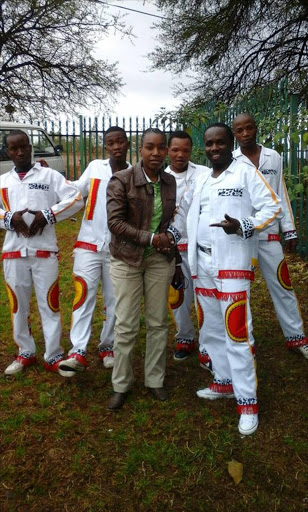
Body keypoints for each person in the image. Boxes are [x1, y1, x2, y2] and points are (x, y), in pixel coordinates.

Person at [172, 123, 282, 435]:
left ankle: (248, 401)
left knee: (236, 329)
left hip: (231, 261)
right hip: (202, 262)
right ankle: (223, 381)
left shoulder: (245, 172)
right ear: (204, 147)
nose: (214, 148)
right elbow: (185, 213)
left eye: (220, 142)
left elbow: (272, 207)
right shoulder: (204, 179)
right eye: (209, 144)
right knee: (212, 326)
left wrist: (244, 224)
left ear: (230, 143)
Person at [106, 128, 182, 410]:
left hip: (159, 260)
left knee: (158, 322)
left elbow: (170, 221)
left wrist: (170, 247)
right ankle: (121, 383)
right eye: (150, 147)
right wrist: (150, 238)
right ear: (140, 149)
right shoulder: (121, 180)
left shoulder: (169, 182)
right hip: (127, 258)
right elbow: (115, 223)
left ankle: (155, 379)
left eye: (161, 148)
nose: (156, 153)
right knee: (125, 324)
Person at [0, 130, 83, 375]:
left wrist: (48, 215)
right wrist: (8, 218)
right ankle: (25, 352)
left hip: (44, 251)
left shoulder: (49, 175)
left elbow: (76, 199)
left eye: (24, 146)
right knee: (18, 305)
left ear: (30, 146)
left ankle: (54, 355)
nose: (20, 152)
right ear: (8, 151)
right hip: (13, 252)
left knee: (50, 303)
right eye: (14, 148)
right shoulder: (3, 181)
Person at [232, 113, 308, 359]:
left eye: (249, 128)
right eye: (239, 130)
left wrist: (289, 228)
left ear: (256, 129)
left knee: (283, 285)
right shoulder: (231, 160)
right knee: (241, 290)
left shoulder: (273, 156)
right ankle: (245, 344)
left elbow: (280, 192)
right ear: (234, 134)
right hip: (242, 235)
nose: (245, 134)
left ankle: (296, 337)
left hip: (269, 234)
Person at [58, 127, 131, 377]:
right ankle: (77, 351)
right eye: (111, 143)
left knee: (114, 300)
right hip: (88, 244)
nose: (116, 147)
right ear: (106, 146)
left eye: (120, 141)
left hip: (118, 249)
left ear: (128, 143)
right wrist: (52, 185)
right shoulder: (95, 167)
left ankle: (108, 346)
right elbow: (76, 191)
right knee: (83, 295)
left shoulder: (133, 173)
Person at [165, 131, 211, 363]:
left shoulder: (204, 174)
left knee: (204, 294)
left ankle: (208, 342)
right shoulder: (160, 177)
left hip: (198, 247)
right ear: (168, 150)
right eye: (175, 150)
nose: (180, 155)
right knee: (177, 295)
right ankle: (185, 337)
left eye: (185, 150)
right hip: (171, 248)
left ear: (191, 151)